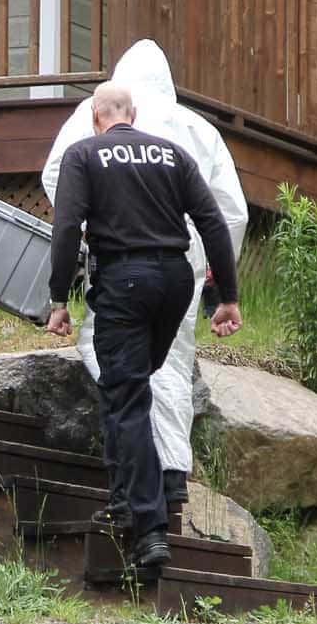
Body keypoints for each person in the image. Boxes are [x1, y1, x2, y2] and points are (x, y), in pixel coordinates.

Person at [41, 40, 248, 511]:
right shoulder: (198, 126)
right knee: (174, 357)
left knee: (112, 354)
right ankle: (173, 475)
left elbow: (57, 172)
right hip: (184, 256)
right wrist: (220, 273)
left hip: (121, 255)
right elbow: (231, 211)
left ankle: (141, 482)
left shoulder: (91, 110)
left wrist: (93, 221)